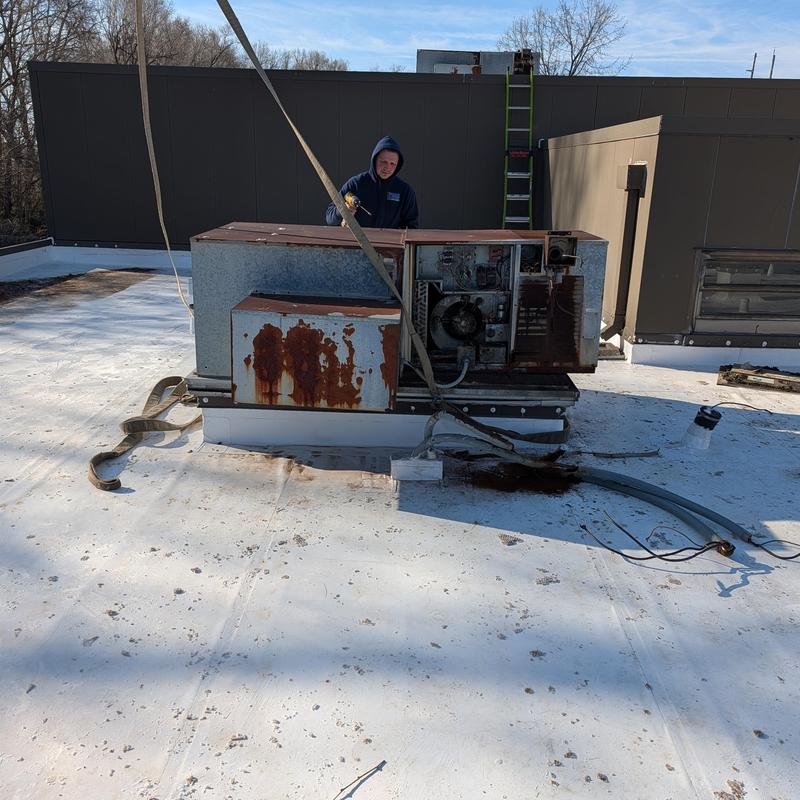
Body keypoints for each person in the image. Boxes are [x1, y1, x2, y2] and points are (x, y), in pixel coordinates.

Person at [325, 136, 419, 229]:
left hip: (389, 243)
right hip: (358, 242)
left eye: (392, 164)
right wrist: (341, 211)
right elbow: (329, 218)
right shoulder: (356, 184)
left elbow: (412, 227)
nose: (387, 168)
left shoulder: (405, 191)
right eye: (383, 162)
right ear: (374, 160)